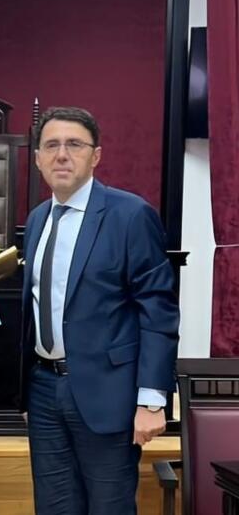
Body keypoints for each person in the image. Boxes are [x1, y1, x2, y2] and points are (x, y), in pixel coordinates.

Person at [20, 106, 179, 514]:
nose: (61, 155)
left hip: (109, 393)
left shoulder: (130, 215)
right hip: (44, 390)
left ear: (96, 155)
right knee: (54, 507)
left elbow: (158, 312)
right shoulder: (38, 219)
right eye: (51, 145)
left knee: (109, 507)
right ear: (37, 158)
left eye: (74, 144)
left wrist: (152, 400)